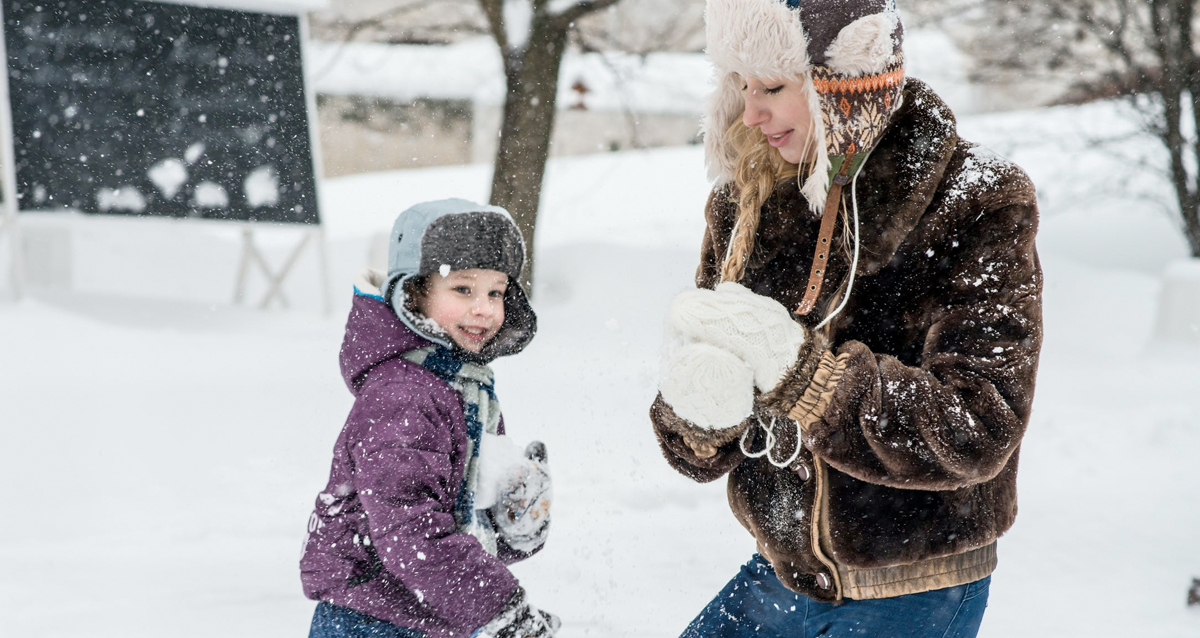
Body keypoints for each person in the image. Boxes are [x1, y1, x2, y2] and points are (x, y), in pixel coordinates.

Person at [650, 1, 1042, 637]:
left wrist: (812, 382)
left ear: (845, 84)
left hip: (917, 586)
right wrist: (698, 411)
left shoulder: (975, 199)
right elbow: (705, 432)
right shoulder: (747, 196)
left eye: (775, 88)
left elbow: (980, 425)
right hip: (780, 574)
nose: (752, 113)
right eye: (741, 88)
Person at [301, 199, 559, 638]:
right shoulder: (405, 396)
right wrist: (500, 610)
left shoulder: (465, 387)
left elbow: (456, 520)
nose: (484, 309)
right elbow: (410, 530)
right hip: (372, 618)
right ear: (414, 294)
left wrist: (511, 524)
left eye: (495, 292)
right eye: (463, 290)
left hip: (427, 613)